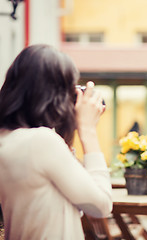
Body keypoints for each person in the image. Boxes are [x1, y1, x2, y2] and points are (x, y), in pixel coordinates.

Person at [0, 44, 112, 239]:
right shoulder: (41, 142)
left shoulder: (9, 140)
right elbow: (100, 205)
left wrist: (65, 130)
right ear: (55, 96)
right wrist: (88, 131)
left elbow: (68, 200)